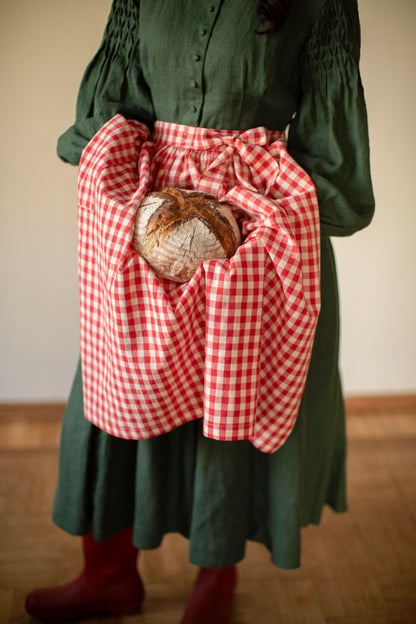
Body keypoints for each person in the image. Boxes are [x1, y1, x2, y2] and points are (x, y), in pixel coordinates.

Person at [25, 0, 375, 623]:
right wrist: (133, 201)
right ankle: (107, 575)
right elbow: (114, 104)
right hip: (148, 213)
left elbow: (330, 153)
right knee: (118, 387)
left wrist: (252, 218)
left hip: (256, 234)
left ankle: (214, 583)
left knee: (231, 406)